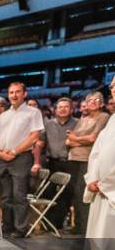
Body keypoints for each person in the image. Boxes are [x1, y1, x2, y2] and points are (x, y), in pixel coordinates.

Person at [0, 82, 43, 237]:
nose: (14, 95)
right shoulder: (3, 115)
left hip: (21, 158)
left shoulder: (33, 112)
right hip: (2, 159)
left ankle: (20, 229)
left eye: (17, 92)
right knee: (5, 197)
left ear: (24, 94)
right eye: (11, 92)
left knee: (19, 196)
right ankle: (7, 227)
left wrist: (14, 151)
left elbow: (34, 137)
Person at [66, 91, 110, 235]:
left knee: (82, 194)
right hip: (74, 158)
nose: (91, 102)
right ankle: (78, 226)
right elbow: (68, 140)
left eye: (95, 99)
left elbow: (93, 139)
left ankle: (84, 228)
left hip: (87, 159)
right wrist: (77, 139)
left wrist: (75, 139)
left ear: (102, 103)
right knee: (75, 195)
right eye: (89, 99)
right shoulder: (82, 118)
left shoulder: (104, 117)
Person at [35, 97, 78, 228]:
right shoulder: (48, 124)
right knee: (48, 192)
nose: (63, 109)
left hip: (70, 162)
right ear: (55, 110)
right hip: (52, 162)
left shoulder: (78, 123)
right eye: (60, 107)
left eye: (66, 107)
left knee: (67, 194)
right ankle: (46, 222)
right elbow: (39, 142)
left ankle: (58, 223)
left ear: (72, 109)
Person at [85, 76, 115, 238]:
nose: (113, 89)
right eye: (112, 86)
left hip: (110, 190)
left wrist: (107, 183)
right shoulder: (112, 119)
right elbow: (97, 153)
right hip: (101, 189)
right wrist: (92, 179)